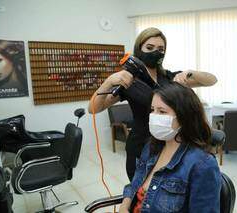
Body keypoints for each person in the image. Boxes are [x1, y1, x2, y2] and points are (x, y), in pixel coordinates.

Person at [88, 27, 217, 181]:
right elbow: (93, 108)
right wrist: (109, 81)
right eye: (149, 48)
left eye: (160, 49)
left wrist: (190, 73)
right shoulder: (129, 82)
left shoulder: (169, 77)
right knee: (140, 193)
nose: (156, 52)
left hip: (170, 145)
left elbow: (211, 80)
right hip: (140, 145)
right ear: (139, 49)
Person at [119, 82, 221, 213]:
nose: (154, 116)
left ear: (184, 117)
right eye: (152, 110)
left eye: (162, 111)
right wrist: (124, 205)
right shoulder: (151, 147)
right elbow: (135, 184)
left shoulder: (202, 165)